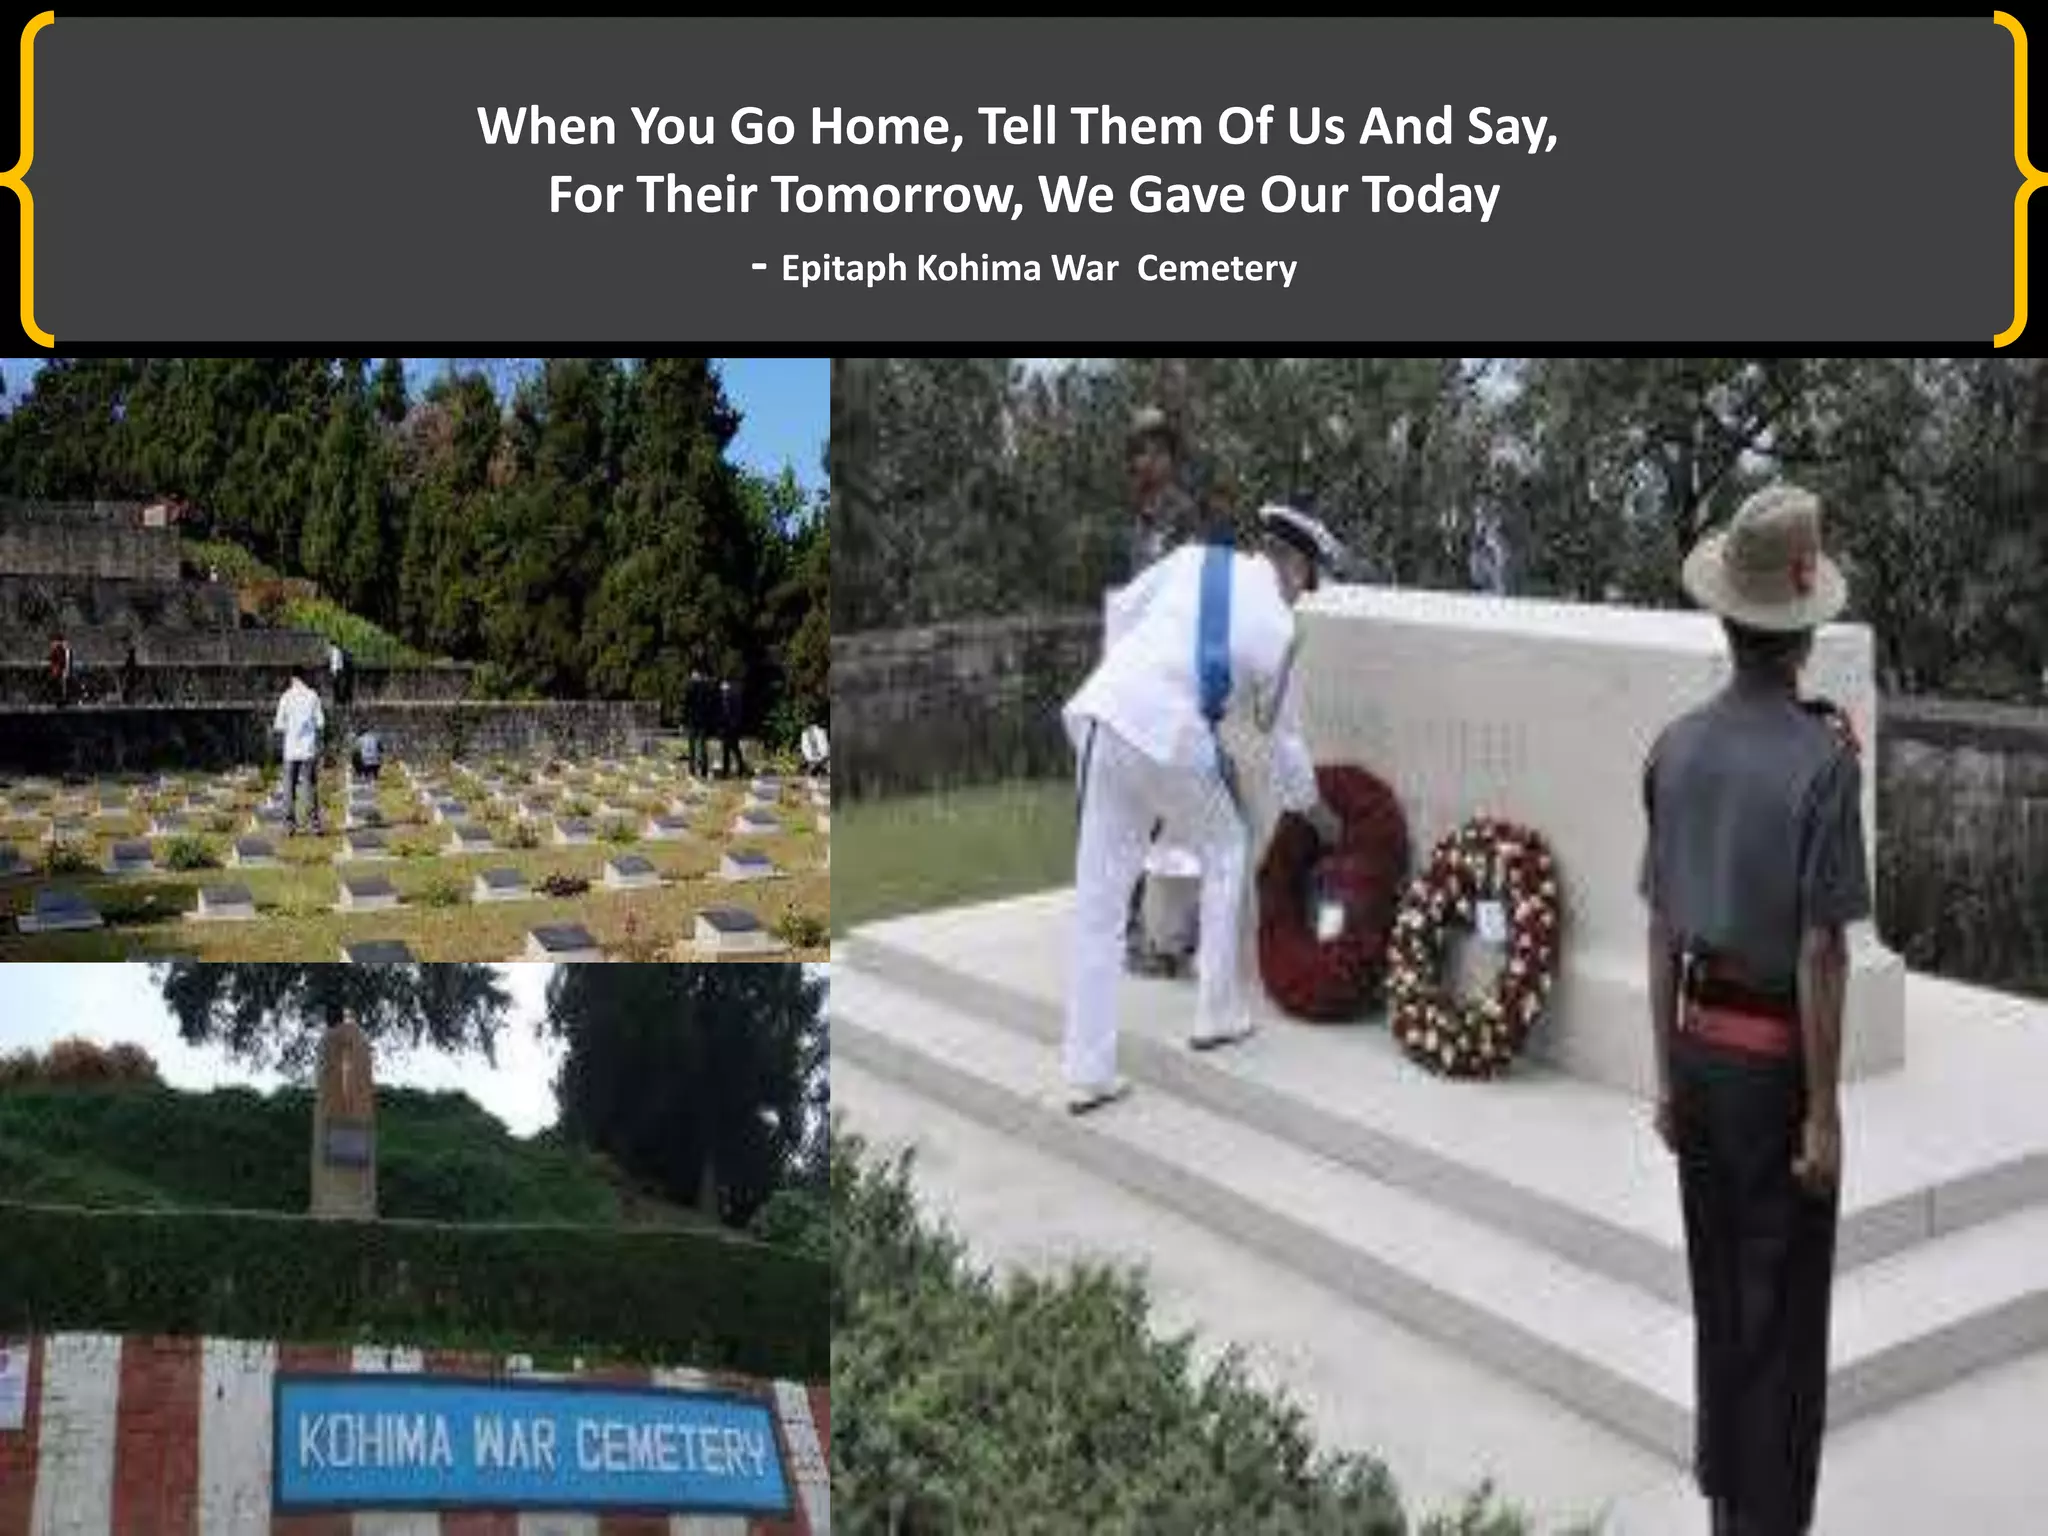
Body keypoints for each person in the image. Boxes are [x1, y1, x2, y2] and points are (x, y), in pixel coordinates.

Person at [1639, 484, 1868, 1536]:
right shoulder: (1822, 764)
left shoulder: (1672, 748)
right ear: (1800, 629)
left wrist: (1663, 1078)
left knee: (1719, 1294)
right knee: (1783, 1313)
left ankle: (1725, 1501)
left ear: (1725, 618)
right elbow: (1821, 949)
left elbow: (1659, 929)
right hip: (1777, 1072)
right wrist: (1822, 1111)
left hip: (1695, 1055)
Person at [1060, 504, 1347, 1115]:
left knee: (1099, 902)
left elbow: (1122, 610)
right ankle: (1216, 1011)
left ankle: (1088, 1070)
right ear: (1292, 563)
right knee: (1227, 847)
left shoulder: (1192, 559)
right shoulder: (1280, 631)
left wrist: (1124, 691)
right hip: (1170, 734)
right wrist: (1315, 812)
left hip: (1103, 717)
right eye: (1306, 579)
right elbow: (1285, 743)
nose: (1303, 594)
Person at [1117, 406, 1208, 978]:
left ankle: (1175, 928)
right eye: (1136, 451)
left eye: (1152, 450)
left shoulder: (1186, 522)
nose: (1142, 460)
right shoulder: (1137, 525)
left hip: (1176, 681)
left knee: (1181, 809)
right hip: (1136, 681)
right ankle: (1137, 927)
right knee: (1136, 811)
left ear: (1171, 458)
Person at [273, 668, 327, 836]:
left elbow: (279, 725)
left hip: (290, 750)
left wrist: (292, 726)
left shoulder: (286, 697)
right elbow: (320, 723)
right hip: (308, 749)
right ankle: (314, 825)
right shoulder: (313, 696)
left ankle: (289, 825)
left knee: (288, 788)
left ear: (293, 678)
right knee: (309, 787)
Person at [684, 663, 716, 780]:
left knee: (695, 747)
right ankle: (701, 770)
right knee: (700, 746)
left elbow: (686, 705)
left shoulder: (692, 688)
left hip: (695, 720)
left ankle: (695, 770)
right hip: (700, 720)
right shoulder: (704, 688)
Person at [719, 675, 749, 779]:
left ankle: (738, 768)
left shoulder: (733, 696)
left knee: (733, 748)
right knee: (727, 748)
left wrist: (734, 723)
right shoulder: (725, 696)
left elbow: (736, 712)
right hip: (726, 726)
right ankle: (727, 770)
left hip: (732, 726)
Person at [47, 632, 72, 709]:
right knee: (60, 684)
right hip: (58, 670)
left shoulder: (62, 650)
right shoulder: (58, 649)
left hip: (60, 670)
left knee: (62, 684)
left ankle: (62, 699)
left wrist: (66, 669)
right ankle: (60, 699)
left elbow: (64, 660)